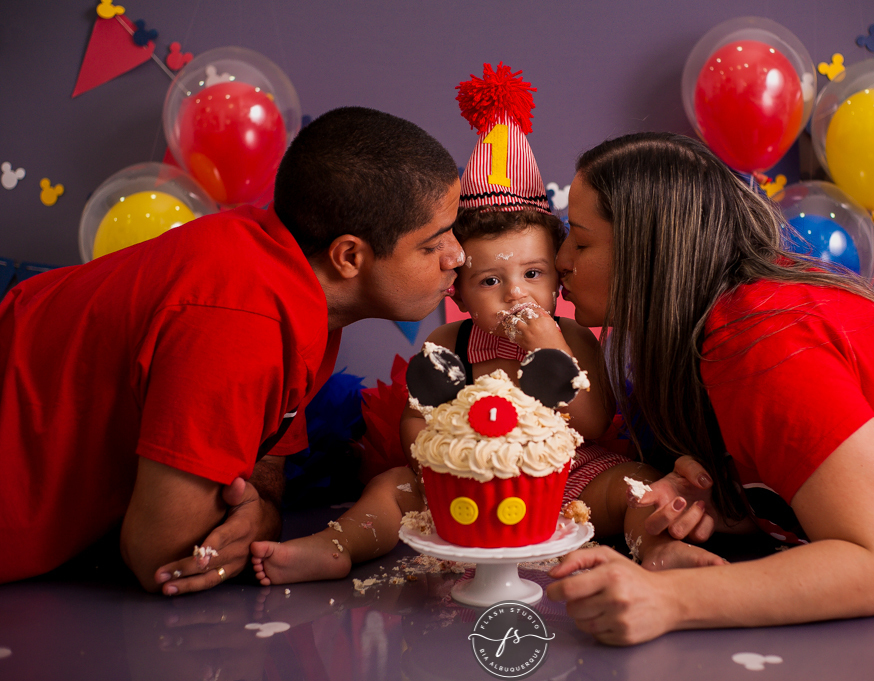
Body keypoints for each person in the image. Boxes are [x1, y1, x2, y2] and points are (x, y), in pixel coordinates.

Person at [249, 66, 722, 587]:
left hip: (567, 482)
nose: (516, 292)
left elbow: (589, 424)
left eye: (534, 273)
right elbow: (416, 421)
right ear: (458, 289)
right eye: (491, 279)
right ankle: (337, 545)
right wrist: (436, 450)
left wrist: (551, 351)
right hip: (465, 487)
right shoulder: (449, 343)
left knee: (636, 483)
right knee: (390, 488)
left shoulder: (575, 338)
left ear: (559, 274)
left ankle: (654, 547)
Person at [546, 132, 874, 644]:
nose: (561, 261)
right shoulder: (714, 333)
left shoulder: (760, 337)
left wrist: (665, 599)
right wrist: (731, 502)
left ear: (649, 249)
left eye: (581, 240)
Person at [0, 107, 463, 595]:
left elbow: (266, 459)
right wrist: (255, 520)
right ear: (349, 257)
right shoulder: (243, 321)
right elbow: (165, 555)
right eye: (435, 244)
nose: (459, 255)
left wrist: (260, 506)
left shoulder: (293, 287)